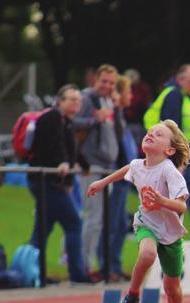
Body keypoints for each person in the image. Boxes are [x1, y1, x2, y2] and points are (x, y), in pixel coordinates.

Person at [86, 120, 190, 303]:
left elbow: (181, 207)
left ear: (170, 150)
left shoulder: (169, 171)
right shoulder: (137, 164)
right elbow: (127, 169)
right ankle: (132, 299)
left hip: (171, 234)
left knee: (172, 287)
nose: (151, 134)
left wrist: (162, 201)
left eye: (159, 134)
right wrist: (102, 182)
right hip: (146, 224)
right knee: (146, 253)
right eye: (149, 132)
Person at [144, 64, 190, 271]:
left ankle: (185, 259)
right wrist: (178, 162)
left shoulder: (187, 98)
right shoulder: (175, 96)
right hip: (187, 164)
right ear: (180, 80)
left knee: (188, 212)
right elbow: (172, 129)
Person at [28, 84, 91, 284]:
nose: (76, 103)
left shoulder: (67, 121)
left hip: (51, 181)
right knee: (74, 223)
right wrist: (62, 163)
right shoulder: (53, 117)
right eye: (71, 99)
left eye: (78, 100)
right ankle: (77, 273)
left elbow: (70, 148)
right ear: (60, 101)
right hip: (47, 181)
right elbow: (55, 145)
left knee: (43, 228)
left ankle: (34, 273)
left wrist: (83, 164)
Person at [73, 64, 119, 279]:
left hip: (107, 166)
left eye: (111, 83)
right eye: (104, 81)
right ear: (95, 80)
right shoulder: (87, 99)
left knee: (98, 218)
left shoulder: (109, 101)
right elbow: (71, 121)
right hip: (90, 165)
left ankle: (86, 260)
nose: (107, 86)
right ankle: (83, 263)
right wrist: (94, 119)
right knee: (93, 217)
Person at [97, 75, 138, 282]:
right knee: (111, 223)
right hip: (117, 175)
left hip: (125, 177)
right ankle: (106, 265)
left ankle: (114, 264)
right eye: (128, 92)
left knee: (121, 224)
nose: (131, 96)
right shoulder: (114, 115)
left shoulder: (120, 115)